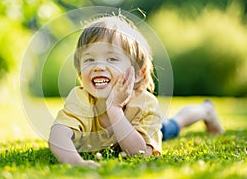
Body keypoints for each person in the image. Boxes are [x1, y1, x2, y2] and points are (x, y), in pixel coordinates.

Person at [48, 14, 224, 166]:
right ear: (80, 73)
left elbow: (141, 153)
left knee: (173, 125)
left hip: (141, 130)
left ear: (138, 74)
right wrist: (75, 162)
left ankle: (205, 110)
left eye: (111, 58)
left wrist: (114, 110)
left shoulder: (145, 103)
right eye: (89, 60)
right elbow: (58, 134)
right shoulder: (81, 97)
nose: (98, 66)